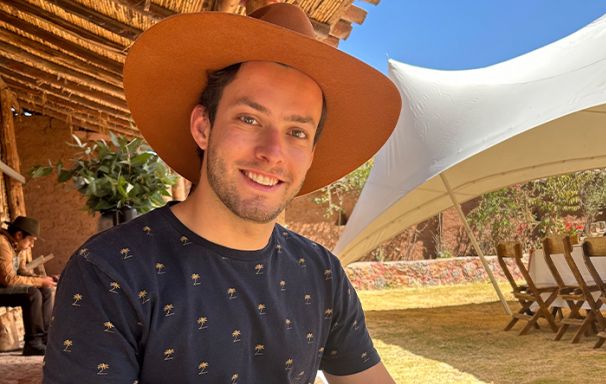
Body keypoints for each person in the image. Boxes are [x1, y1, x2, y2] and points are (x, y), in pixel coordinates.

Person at [44, 3, 401, 383]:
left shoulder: (320, 273)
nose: (272, 152)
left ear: (311, 153)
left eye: (297, 132)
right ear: (203, 126)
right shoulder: (111, 270)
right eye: (249, 119)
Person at [0, 216, 56, 356]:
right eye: (31, 240)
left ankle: (45, 339)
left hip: (4, 287)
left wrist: (44, 279)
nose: (32, 245)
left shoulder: (15, 245)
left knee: (45, 290)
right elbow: (9, 280)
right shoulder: (2, 244)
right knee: (32, 294)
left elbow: (21, 271)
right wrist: (38, 282)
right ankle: (33, 343)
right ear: (19, 235)